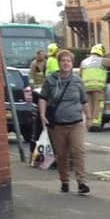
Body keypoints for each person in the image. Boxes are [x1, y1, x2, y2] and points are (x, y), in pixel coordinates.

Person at [38, 49, 91, 194]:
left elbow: (84, 101)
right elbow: (42, 98)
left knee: (78, 152)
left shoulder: (77, 81)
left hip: (76, 123)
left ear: (72, 64)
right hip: (58, 125)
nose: (66, 63)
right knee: (62, 155)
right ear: (59, 63)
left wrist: (89, 117)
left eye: (68, 61)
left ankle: (82, 182)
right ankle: (64, 181)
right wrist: (42, 114)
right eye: (63, 61)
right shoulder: (51, 80)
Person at [80, 44, 110, 131]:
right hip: (98, 87)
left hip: (86, 88)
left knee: (89, 106)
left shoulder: (84, 62)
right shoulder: (101, 60)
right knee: (98, 105)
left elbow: (80, 74)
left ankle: (88, 124)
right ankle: (96, 125)